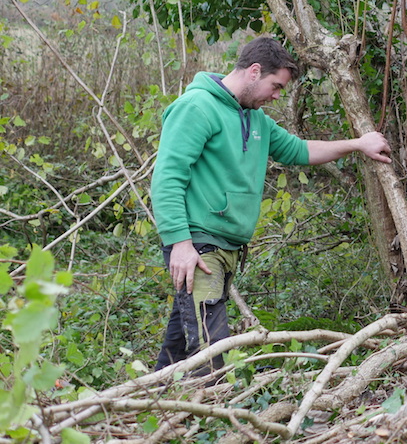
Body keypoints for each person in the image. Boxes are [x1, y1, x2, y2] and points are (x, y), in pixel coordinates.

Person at [151, 36, 392, 372]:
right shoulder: (196, 108)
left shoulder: (257, 121)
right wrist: (180, 242)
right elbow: (167, 178)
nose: (277, 96)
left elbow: (301, 151)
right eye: (275, 86)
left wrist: (358, 144)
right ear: (253, 72)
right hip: (199, 246)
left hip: (226, 248)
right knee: (211, 345)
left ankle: (154, 405)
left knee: (182, 340)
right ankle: (215, 418)